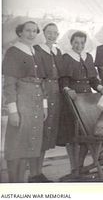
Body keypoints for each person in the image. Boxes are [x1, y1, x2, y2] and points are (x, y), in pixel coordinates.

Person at [2, 21, 48, 182]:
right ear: (19, 32)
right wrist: (13, 111)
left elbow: (42, 82)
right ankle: (14, 184)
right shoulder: (13, 52)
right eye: (28, 30)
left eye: (34, 31)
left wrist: (44, 106)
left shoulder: (35, 51)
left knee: (29, 144)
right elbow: (9, 84)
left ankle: (21, 184)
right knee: (16, 145)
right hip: (22, 101)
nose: (31, 34)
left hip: (35, 102)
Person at [57, 31, 103, 174]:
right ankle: (73, 167)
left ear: (85, 43)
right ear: (71, 43)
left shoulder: (88, 56)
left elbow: (93, 80)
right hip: (72, 98)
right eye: (76, 42)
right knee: (73, 134)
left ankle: (81, 165)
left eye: (82, 42)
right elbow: (63, 79)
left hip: (87, 98)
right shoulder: (66, 57)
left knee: (87, 131)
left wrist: (100, 87)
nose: (79, 45)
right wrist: (67, 89)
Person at [33, 23, 63, 182]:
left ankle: (39, 172)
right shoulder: (38, 49)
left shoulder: (57, 51)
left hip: (56, 92)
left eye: (55, 33)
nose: (52, 35)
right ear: (44, 33)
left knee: (49, 131)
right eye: (49, 33)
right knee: (40, 131)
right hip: (44, 90)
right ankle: (34, 173)